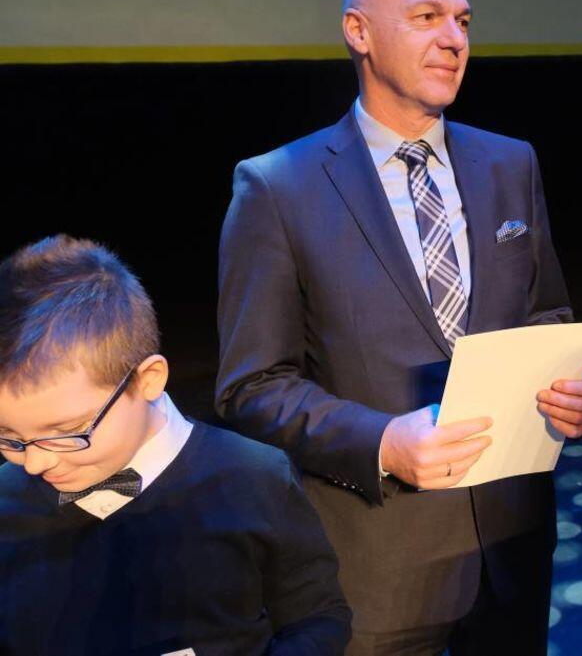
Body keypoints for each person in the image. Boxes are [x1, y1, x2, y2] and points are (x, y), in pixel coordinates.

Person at [215, 0, 582, 655]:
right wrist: (382, 442)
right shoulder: (277, 187)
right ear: (358, 32)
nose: (454, 39)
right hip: (376, 569)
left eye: (463, 22)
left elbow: (545, 312)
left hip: (512, 546)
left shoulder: (510, 162)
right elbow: (252, 386)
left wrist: (570, 385)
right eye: (427, 18)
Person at [0, 235, 350, 656]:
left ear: (147, 380)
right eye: (9, 436)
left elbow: (317, 616)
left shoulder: (254, 478)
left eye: (66, 432)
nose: (34, 462)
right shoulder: (7, 498)